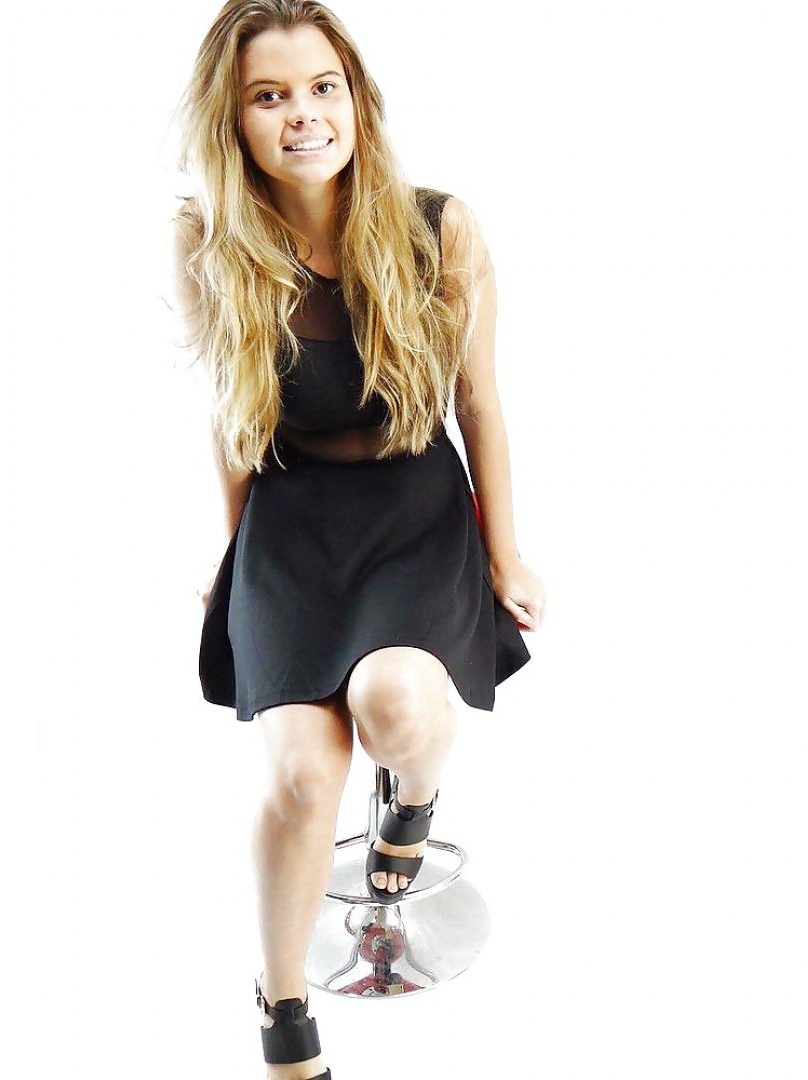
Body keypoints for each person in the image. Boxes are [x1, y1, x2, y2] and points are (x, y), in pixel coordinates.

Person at [166, 3, 546, 1077]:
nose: (302, 115)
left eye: (322, 87)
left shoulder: (439, 226)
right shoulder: (208, 240)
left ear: (357, 100)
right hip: (291, 521)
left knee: (394, 706)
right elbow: (232, 419)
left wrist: (507, 553)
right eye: (269, 95)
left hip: (413, 512)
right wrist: (231, 559)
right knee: (300, 776)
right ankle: (283, 1005)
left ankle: (412, 801)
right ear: (233, 119)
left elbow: (479, 402)